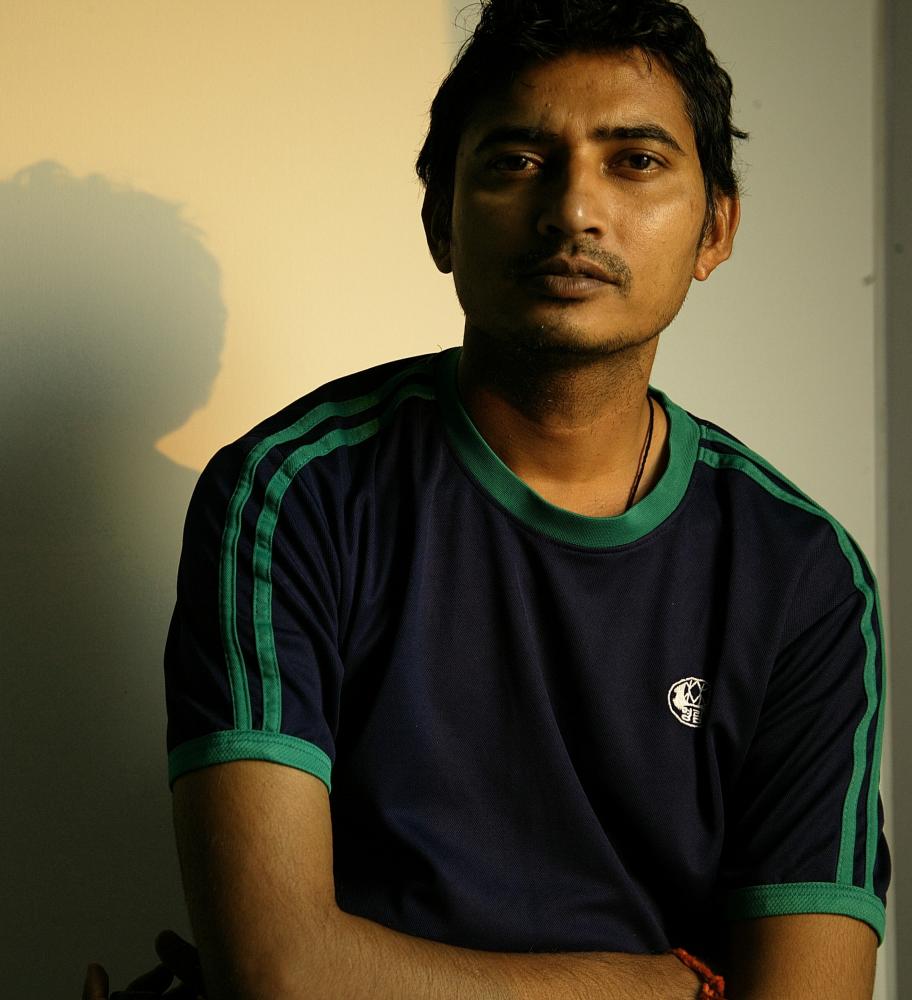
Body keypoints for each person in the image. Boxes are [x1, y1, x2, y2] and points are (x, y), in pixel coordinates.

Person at [85, 0, 889, 997]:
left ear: (715, 227)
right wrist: (640, 988)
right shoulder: (294, 493)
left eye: (635, 161)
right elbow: (280, 966)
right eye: (517, 160)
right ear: (440, 219)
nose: (574, 210)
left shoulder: (801, 574)